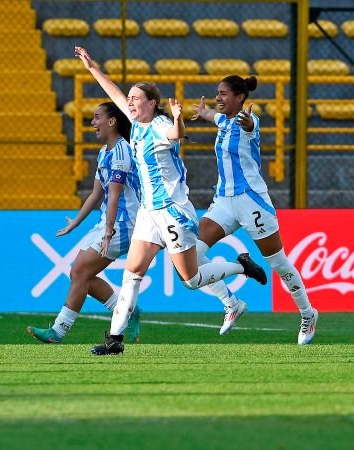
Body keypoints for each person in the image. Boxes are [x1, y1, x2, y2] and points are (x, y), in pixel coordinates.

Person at [73, 47, 267, 356]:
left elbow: (177, 134)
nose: (130, 103)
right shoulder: (136, 123)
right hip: (149, 214)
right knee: (131, 274)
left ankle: (240, 267)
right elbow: (113, 91)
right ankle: (114, 340)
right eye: (130, 99)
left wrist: (177, 117)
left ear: (151, 104)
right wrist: (92, 67)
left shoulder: (161, 125)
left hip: (173, 212)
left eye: (136, 99)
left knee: (190, 280)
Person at [191, 75, 318, 344]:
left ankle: (308, 314)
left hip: (252, 202)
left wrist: (248, 122)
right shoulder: (223, 120)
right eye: (217, 93)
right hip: (224, 202)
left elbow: (250, 125)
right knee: (192, 255)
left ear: (240, 98)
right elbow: (214, 116)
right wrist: (204, 113)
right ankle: (231, 302)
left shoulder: (248, 121)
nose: (218, 98)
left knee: (279, 264)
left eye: (224, 94)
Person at [27, 102, 142, 344]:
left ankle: (57, 332)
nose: (92, 122)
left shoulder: (123, 151)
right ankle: (127, 311)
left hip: (124, 223)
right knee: (79, 274)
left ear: (112, 121)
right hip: (107, 221)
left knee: (80, 271)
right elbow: (96, 194)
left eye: (97, 117)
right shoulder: (104, 153)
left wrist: (109, 231)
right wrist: (76, 223)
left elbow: (115, 195)